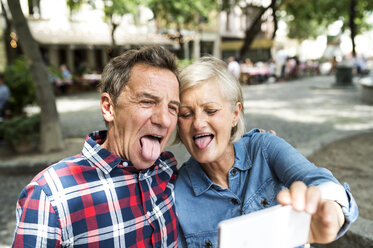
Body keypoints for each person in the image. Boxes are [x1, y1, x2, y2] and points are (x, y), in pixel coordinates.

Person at [174, 56, 358, 247]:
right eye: (186, 114)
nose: (197, 123)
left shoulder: (264, 148)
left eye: (210, 110)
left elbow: (323, 182)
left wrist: (331, 213)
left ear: (235, 114)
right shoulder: (178, 195)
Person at [12, 46, 180, 247]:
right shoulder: (50, 196)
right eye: (147, 101)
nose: (164, 120)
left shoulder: (168, 171)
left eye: (172, 108)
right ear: (109, 108)